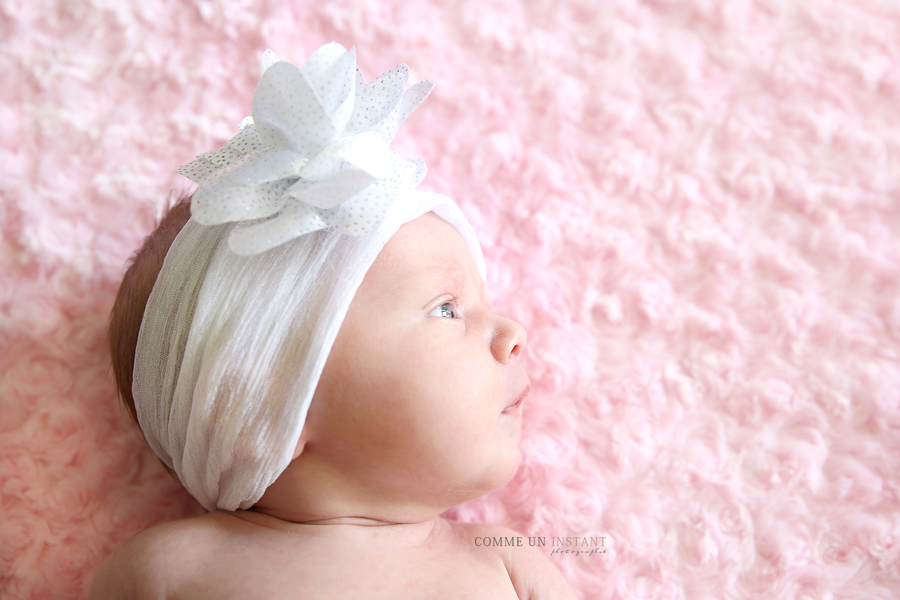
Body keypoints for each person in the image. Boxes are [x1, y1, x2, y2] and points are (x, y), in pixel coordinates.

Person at [90, 43, 577, 599]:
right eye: (446, 308)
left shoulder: (508, 566)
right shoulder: (168, 571)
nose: (512, 332)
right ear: (263, 410)